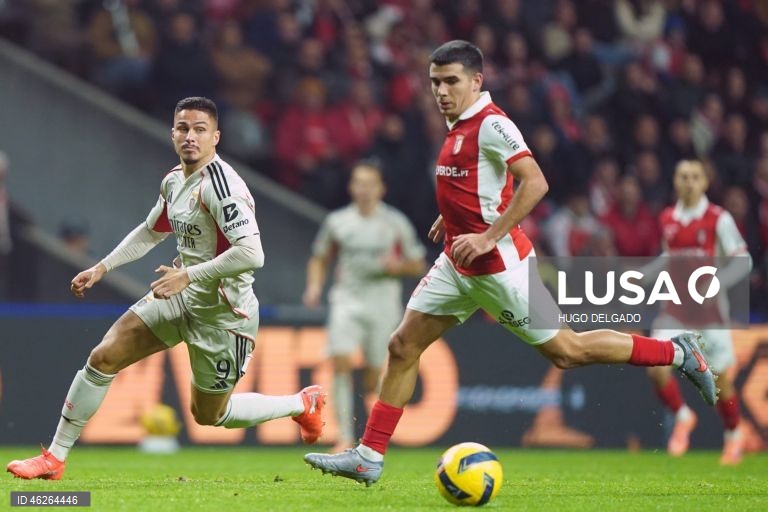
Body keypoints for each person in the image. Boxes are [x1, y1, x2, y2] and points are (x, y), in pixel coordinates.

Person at [303, 40, 717, 486]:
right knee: (403, 346)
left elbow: (535, 183)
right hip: (457, 263)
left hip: (500, 268)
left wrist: (487, 234)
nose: (441, 91)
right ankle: (369, 456)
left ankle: (677, 352)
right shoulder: (458, 123)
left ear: (476, 81)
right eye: (435, 82)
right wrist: (457, 216)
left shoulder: (492, 124)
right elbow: (484, 181)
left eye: (451, 81)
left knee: (567, 352)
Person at [6, 97, 325, 481]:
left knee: (210, 415)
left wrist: (189, 275)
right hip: (179, 297)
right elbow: (150, 230)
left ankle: (300, 403)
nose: (190, 136)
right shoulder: (175, 180)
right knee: (104, 356)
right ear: (173, 133)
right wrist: (103, 266)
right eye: (183, 128)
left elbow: (252, 254)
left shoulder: (223, 188)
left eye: (200, 129)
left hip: (224, 316)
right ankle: (54, 458)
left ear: (216, 137)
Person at [303, 162, 426, 452]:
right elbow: (319, 257)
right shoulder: (338, 221)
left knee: (374, 375)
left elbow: (418, 262)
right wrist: (314, 287)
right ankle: (344, 435)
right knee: (340, 361)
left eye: (370, 183)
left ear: (381, 188)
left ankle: (371, 421)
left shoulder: (395, 222)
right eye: (359, 183)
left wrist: (396, 267)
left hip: (382, 301)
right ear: (351, 187)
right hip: (347, 298)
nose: (364, 189)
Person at [646, 160, 751, 465]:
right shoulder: (667, 217)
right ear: (676, 182)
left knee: (721, 383)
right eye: (683, 177)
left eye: (694, 177)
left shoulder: (718, 218)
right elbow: (670, 256)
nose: (688, 182)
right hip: (675, 308)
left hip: (710, 313)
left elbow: (743, 260)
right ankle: (682, 416)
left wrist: (717, 284)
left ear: (705, 182)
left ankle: (733, 435)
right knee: (655, 367)